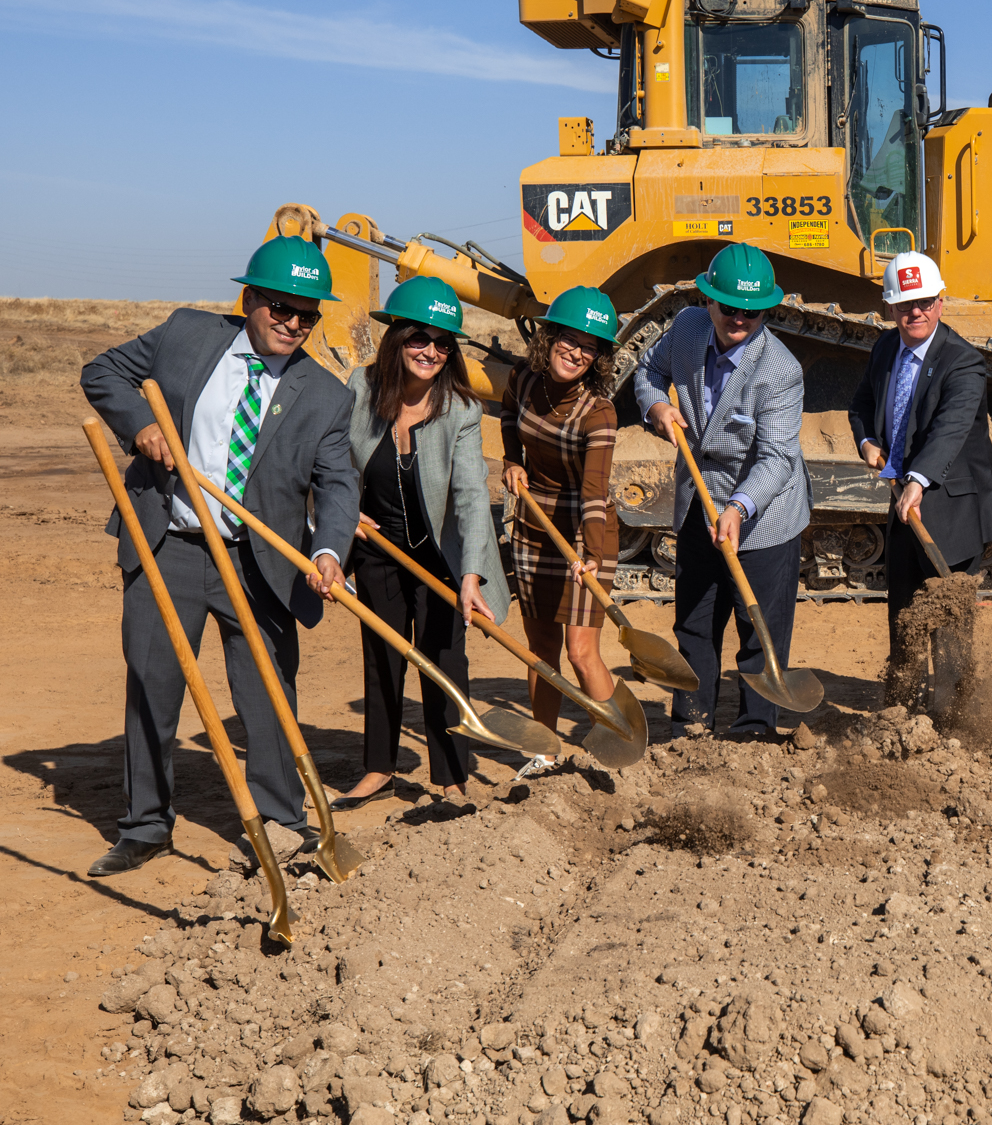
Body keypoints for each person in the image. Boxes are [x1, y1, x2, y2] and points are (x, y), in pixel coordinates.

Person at [80, 235, 358, 876]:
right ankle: (145, 826)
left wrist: (328, 550)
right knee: (153, 685)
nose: (294, 325)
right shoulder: (187, 335)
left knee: (267, 695)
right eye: (281, 309)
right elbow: (104, 372)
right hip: (166, 548)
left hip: (257, 562)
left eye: (308, 315)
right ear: (250, 298)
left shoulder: (325, 395)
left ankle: (282, 824)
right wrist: (140, 426)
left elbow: (338, 485)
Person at [337, 277, 510, 808]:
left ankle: (450, 776)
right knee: (382, 656)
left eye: (442, 343)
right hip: (376, 547)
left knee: (443, 660)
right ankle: (379, 768)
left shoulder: (461, 409)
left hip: (441, 555)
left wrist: (472, 575)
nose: (430, 352)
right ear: (397, 339)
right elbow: (329, 462)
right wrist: (344, 513)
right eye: (419, 339)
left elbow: (471, 497)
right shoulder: (360, 389)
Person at [633, 243, 813, 742]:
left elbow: (777, 458)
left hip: (762, 516)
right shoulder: (688, 327)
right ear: (708, 300)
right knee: (694, 622)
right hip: (698, 502)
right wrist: (657, 409)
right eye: (729, 307)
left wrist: (738, 506)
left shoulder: (780, 371)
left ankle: (755, 730)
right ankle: (690, 723)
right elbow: (649, 372)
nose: (739, 319)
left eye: (752, 312)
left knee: (759, 633)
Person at [847, 252, 992, 707]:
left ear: (940, 302)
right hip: (903, 504)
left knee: (949, 625)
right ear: (890, 308)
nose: (916, 312)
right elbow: (860, 404)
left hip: (952, 509)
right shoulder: (884, 348)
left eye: (925, 302)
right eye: (905, 304)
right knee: (905, 617)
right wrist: (866, 442)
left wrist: (917, 479)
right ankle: (904, 712)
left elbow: (950, 429)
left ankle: (955, 719)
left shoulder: (964, 362)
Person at [500, 286, 623, 779]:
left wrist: (591, 552)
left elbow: (595, 490)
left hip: (585, 530)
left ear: (599, 358)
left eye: (589, 346)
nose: (577, 352)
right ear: (548, 339)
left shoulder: (599, 413)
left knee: (580, 650)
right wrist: (512, 459)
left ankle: (621, 745)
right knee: (541, 648)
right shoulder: (523, 379)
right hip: (534, 524)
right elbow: (508, 415)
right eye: (569, 339)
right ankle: (544, 752)